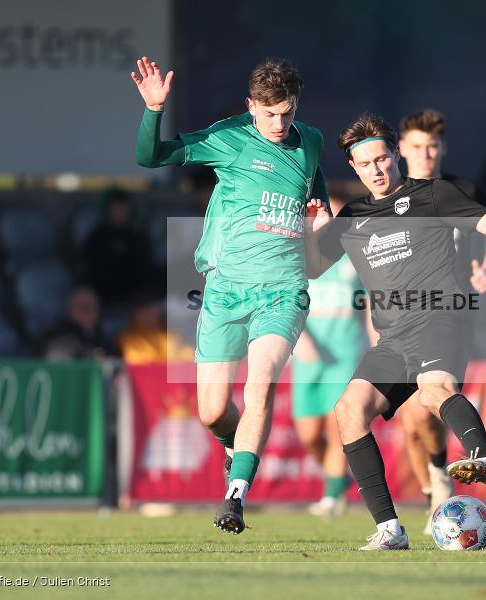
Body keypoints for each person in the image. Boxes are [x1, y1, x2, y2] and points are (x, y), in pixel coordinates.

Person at [306, 113, 486, 550]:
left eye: (383, 158)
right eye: (366, 163)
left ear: (396, 155)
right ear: (354, 168)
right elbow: (313, 266)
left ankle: (480, 456)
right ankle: (390, 529)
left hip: (442, 317)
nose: (377, 169)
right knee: (349, 411)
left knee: (432, 389)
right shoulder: (352, 217)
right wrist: (314, 233)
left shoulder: (433, 195)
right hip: (392, 338)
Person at [131, 56, 328, 534]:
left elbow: (313, 190)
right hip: (224, 290)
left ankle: (235, 497)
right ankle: (232, 447)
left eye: (287, 112)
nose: (279, 123)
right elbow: (150, 158)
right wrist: (154, 110)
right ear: (250, 107)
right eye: (269, 114)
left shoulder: (312, 141)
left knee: (260, 385)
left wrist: (320, 220)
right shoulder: (229, 137)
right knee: (214, 411)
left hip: (283, 291)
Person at [397, 109, 486, 534]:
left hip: (449, 312)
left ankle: (444, 481)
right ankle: (437, 485)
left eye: (432, 146)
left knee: (432, 399)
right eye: (417, 146)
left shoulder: (464, 189)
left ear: (443, 149)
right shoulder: (391, 195)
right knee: (413, 419)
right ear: (401, 149)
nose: (425, 154)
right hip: (398, 315)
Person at [291, 189, 372, 518]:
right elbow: (286, 303)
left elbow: (370, 304)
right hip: (309, 353)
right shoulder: (300, 257)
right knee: (309, 432)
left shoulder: (357, 258)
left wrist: (378, 341)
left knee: (338, 423)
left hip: (346, 350)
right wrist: (299, 339)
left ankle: (331, 495)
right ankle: (338, 479)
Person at [82, 188, 155, 306]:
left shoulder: (138, 238)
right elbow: (89, 269)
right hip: (103, 299)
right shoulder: (97, 237)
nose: (119, 211)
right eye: (115, 207)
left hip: (135, 301)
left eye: (122, 207)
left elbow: (146, 271)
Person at [117, 288, 195, 364]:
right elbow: (136, 361)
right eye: (146, 309)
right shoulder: (128, 336)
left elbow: (187, 355)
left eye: (155, 309)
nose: (152, 314)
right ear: (135, 313)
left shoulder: (170, 335)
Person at [41, 285, 117, 360]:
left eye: (90, 305)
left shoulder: (108, 341)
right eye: (80, 305)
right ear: (69, 310)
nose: (86, 310)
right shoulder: (57, 339)